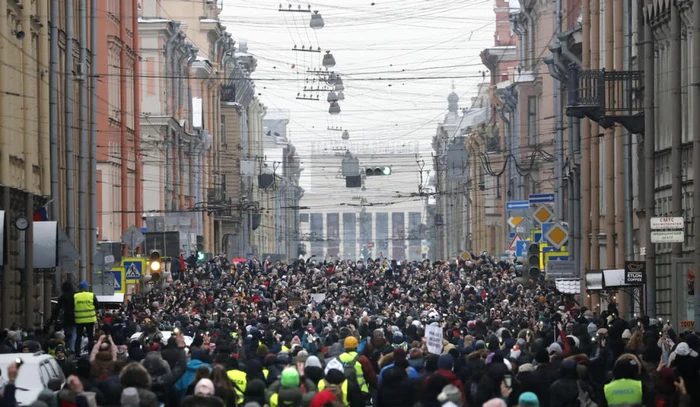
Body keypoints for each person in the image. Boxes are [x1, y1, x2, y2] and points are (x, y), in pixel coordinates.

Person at [73, 281, 98, 355]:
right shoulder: (91, 295)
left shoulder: (75, 296)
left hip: (79, 320)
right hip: (90, 320)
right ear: (87, 288)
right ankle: (91, 352)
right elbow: (98, 306)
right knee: (90, 337)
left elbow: (72, 307)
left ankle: (77, 353)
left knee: (78, 337)